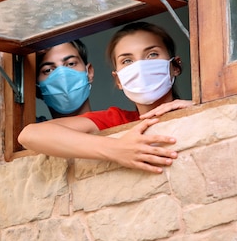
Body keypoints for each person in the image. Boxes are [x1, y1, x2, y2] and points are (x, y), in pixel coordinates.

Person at [19, 21, 193, 173]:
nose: (140, 66)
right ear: (118, 79)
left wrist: (196, 108)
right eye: (127, 61)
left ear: (175, 66)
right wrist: (117, 149)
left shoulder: (194, 107)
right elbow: (30, 135)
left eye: (152, 54)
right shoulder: (117, 120)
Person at [35, 39, 94, 120]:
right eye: (48, 70)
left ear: (89, 72)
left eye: (71, 64)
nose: (62, 76)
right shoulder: (33, 131)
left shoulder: (114, 121)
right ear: (37, 89)